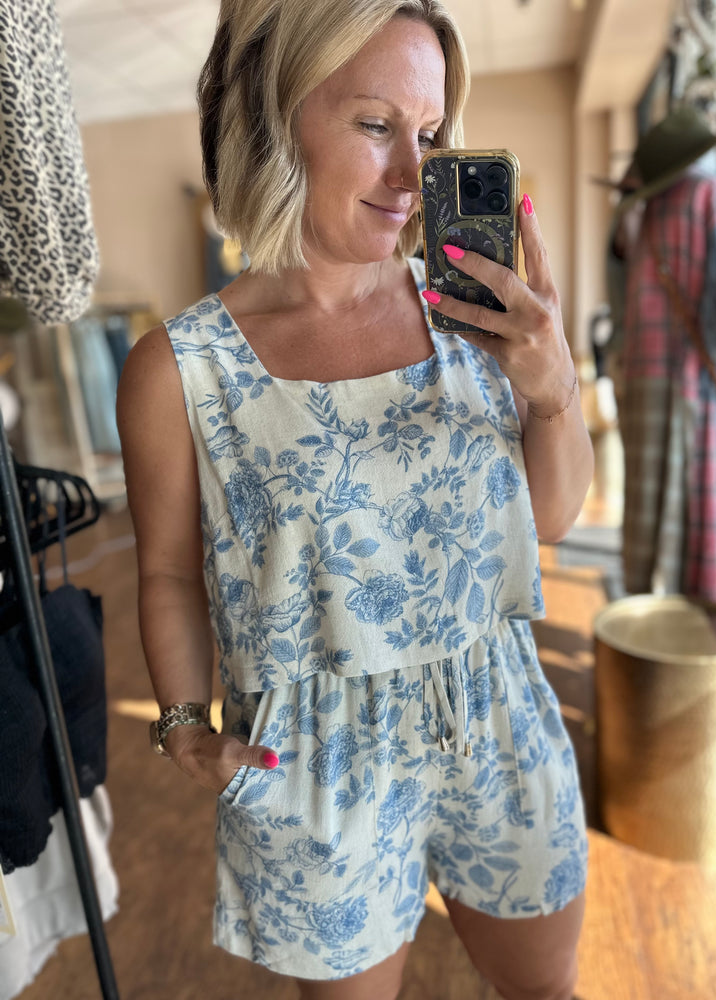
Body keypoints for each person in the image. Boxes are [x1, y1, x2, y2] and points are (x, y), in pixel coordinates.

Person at [116, 2, 594, 997]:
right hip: (317, 761)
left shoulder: (475, 314)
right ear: (274, 113)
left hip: (498, 715)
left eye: (430, 133)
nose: (414, 175)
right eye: (377, 125)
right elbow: (165, 568)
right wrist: (182, 722)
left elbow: (548, 521)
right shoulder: (180, 369)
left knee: (543, 989)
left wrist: (554, 391)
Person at [609, 105, 716, 602]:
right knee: (699, 504)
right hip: (692, 378)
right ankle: (697, 620)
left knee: (645, 502)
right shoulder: (713, 196)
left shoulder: (643, 208)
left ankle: (643, 614)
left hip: (642, 373)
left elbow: (619, 297)